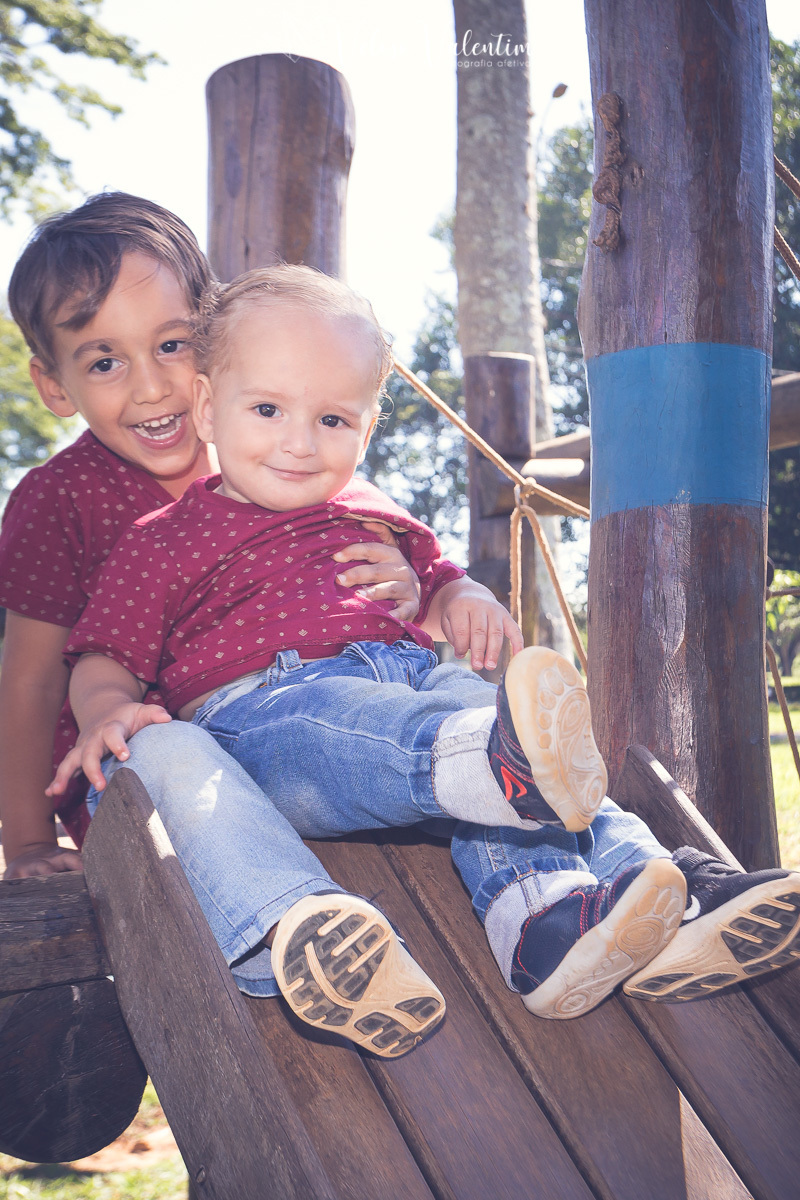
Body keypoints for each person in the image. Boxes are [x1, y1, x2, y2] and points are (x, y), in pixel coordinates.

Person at [52, 265, 800, 1046]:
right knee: (453, 740)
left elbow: (444, 584)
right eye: (268, 409)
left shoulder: (376, 516)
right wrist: (107, 709)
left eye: (334, 420)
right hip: (270, 716)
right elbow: (103, 656)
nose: (301, 443)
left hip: (419, 685)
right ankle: (466, 797)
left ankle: (569, 920)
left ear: (368, 428)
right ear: (209, 406)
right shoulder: (162, 543)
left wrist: (459, 600)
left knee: (496, 723)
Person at [0, 195, 421, 881]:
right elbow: (29, 681)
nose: (152, 386)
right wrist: (28, 843)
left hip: (302, 737)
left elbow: (355, 586)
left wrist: (406, 592)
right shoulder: (62, 499)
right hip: (150, 778)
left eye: (172, 345)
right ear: (54, 385)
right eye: (104, 362)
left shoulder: (272, 453)